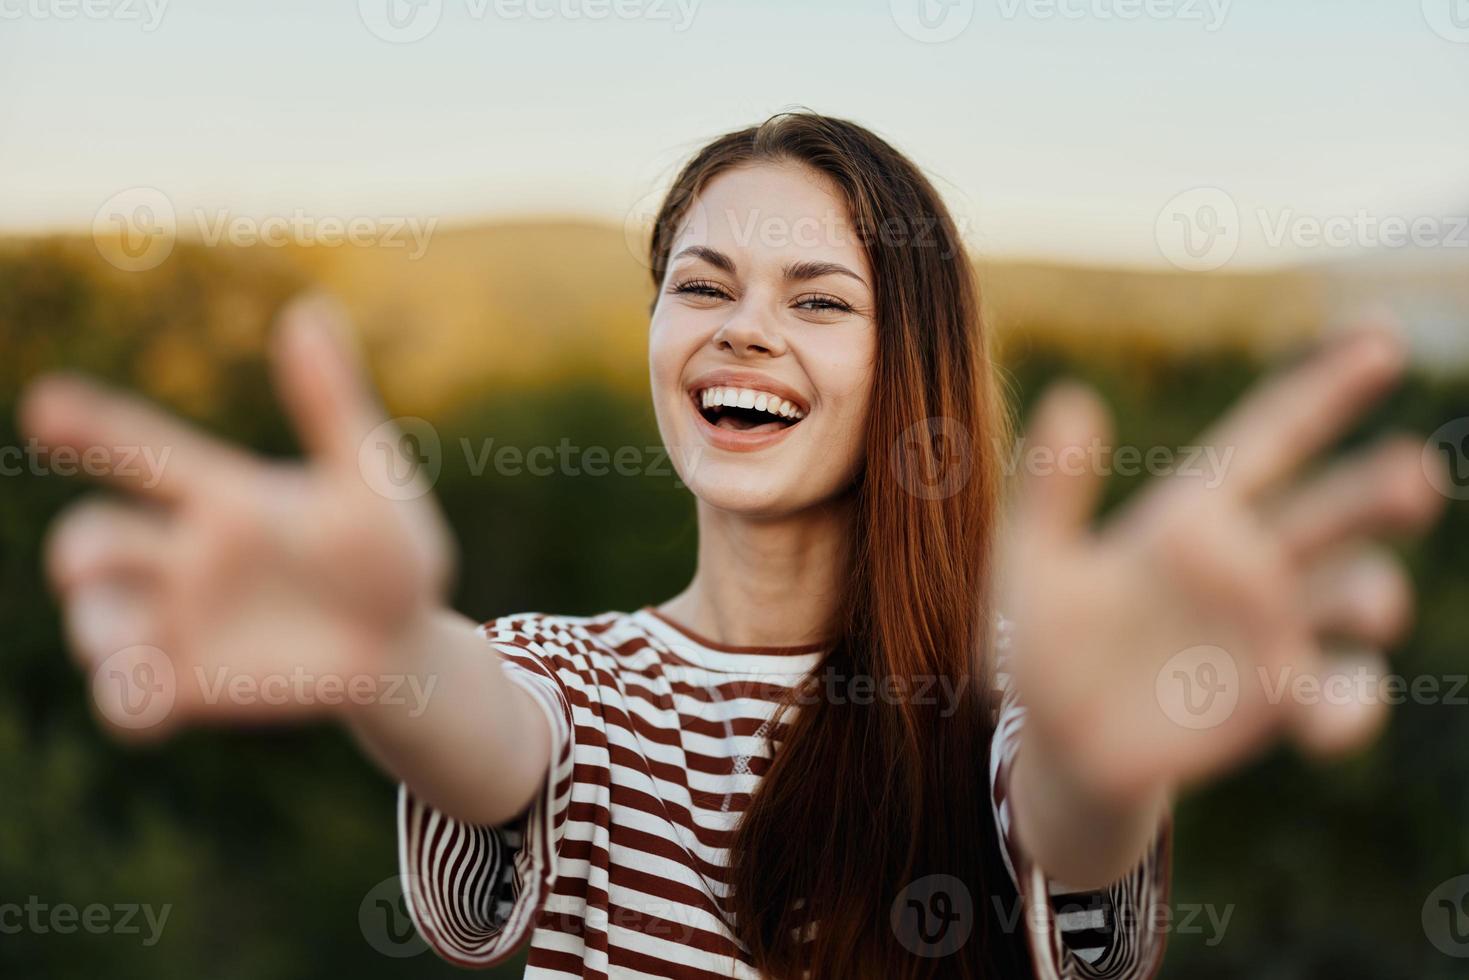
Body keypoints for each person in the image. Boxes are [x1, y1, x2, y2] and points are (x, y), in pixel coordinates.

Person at [20, 111, 1445, 979]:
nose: (743, 326)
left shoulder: (1005, 694)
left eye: (819, 302)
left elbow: (1062, 808)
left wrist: (1103, 747)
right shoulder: (574, 682)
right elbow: (476, 721)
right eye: (699, 284)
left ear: (913, 371)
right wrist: (379, 656)